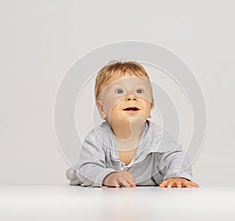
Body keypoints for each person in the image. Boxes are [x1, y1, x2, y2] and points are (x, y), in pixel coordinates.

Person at [66, 61, 199, 188]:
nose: (131, 97)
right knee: (81, 171)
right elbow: (88, 168)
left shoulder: (157, 136)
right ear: (102, 109)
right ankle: (74, 171)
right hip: (93, 169)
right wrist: (108, 176)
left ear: (150, 107)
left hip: (146, 179)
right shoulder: (97, 138)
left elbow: (177, 156)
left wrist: (178, 176)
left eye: (139, 91)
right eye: (119, 91)